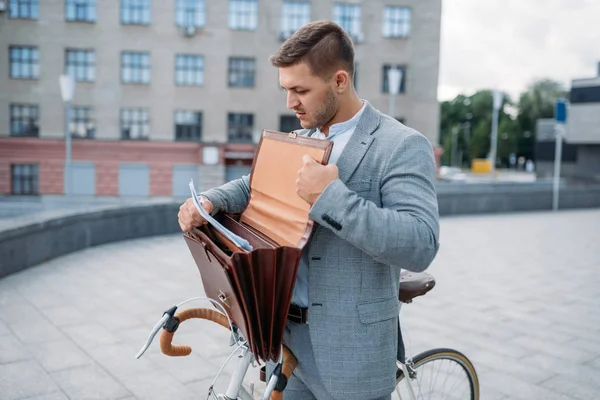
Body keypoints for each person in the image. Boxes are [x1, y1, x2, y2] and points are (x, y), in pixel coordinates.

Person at [178, 20, 440, 400]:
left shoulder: (401, 145)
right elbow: (254, 187)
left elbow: (420, 243)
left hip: (351, 352)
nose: (290, 102)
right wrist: (211, 200)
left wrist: (329, 197)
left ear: (339, 81)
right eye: (286, 90)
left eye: (300, 90)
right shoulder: (299, 138)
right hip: (284, 340)